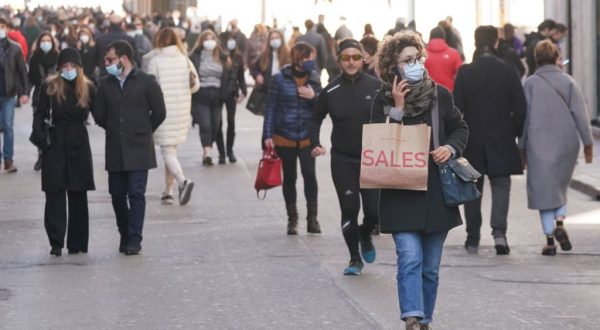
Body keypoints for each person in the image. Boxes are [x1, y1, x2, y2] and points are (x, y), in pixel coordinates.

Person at [372, 31, 468, 330]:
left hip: (436, 191)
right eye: (407, 60)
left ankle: (425, 319)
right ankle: (411, 317)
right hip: (400, 190)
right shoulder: (382, 99)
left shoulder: (440, 94)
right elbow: (376, 140)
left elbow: (460, 128)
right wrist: (397, 109)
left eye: (418, 58)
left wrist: (449, 148)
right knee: (409, 257)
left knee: (430, 267)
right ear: (393, 66)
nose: (415, 64)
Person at [453, 26, 526, 255]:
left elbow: (456, 111)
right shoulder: (509, 70)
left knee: (472, 188)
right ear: (495, 43)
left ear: (475, 42)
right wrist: (513, 131)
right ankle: (500, 236)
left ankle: (473, 237)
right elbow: (521, 108)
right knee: (501, 187)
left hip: (472, 141)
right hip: (502, 138)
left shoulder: (466, 72)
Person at [310, 39, 380, 275]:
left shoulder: (376, 86)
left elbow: (395, 113)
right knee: (349, 207)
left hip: (371, 159)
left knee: (375, 213)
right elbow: (315, 118)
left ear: (363, 59)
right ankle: (354, 259)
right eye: (346, 58)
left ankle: (364, 233)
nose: (351, 62)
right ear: (339, 61)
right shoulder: (330, 91)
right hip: (343, 159)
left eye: (356, 57)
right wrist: (315, 142)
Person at [92, 41, 166, 255]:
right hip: (115, 146)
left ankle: (134, 238)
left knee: (136, 193)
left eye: (110, 59)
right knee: (116, 194)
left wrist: (143, 130)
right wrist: (115, 127)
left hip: (139, 147)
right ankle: (124, 232)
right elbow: (98, 114)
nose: (106, 63)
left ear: (123, 59)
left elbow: (159, 112)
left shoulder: (146, 81)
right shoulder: (106, 84)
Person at [520, 40, 594, 256]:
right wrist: (588, 143)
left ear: (536, 58)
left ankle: (550, 241)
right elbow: (581, 115)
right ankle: (560, 222)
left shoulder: (531, 84)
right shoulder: (569, 82)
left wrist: (522, 146)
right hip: (566, 144)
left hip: (538, 144)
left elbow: (524, 120)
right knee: (560, 188)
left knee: (544, 192)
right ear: (556, 58)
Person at [30, 48, 95, 257]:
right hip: (55, 141)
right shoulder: (49, 86)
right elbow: (39, 114)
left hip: (78, 142)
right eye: (65, 66)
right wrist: (42, 141)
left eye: (72, 66)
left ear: (79, 67)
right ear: (59, 68)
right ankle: (56, 242)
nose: (68, 69)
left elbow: (101, 113)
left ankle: (77, 243)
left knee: (78, 193)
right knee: (54, 192)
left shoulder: (87, 87)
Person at [263, 42, 322, 235]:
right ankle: (292, 219)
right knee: (289, 177)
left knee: (310, 176)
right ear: (299, 59)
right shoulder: (279, 79)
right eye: (309, 58)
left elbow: (322, 107)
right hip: (284, 136)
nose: (312, 62)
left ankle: (312, 219)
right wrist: (267, 136)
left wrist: (313, 96)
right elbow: (270, 108)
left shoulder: (314, 78)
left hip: (306, 138)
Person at [145, 28, 197, 206]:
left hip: (163, 111)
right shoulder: (185, 59)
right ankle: (168, 190)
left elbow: (149, 88)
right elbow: (196, 85)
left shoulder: (155, 61)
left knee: (167, 152)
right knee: (171, 151)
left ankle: (183, 182)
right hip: (181, 110)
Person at [189, 30, 233, 166]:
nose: (209, 42)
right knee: (206, 124)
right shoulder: (195, 56)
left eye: (212, 39)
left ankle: (208, 147)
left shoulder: (223, 56)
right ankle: (207, 152)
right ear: (201, 42)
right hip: (201, 94)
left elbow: (230, 75)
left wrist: (226, 92)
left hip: (217, 95)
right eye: (206, 39)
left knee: (215, 125)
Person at [0, 17, 30, 173]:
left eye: (2, 26)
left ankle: (8, 159)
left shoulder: (15, 48)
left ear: (7, 28)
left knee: (8, 126)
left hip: (8, 93)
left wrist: (24, 92)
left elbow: (22, 72)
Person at [28, 32, 59, 171]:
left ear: (52, 42)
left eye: (48, 40)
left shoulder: (58, 58)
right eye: (43, 40)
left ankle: (53, 155)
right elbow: (30, 78)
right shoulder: (35, 58)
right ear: (39, 42)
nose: (46, 43)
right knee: (39, 126)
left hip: (56, 95)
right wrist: (25, 93)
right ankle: (41, 155)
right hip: (39, 96)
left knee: (55, 126)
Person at [216, 31, 247, 164]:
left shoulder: (238, 57)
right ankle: (221, 153)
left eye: (233, 39)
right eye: (229, 39)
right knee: (218, 123)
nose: (231, 42)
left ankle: (230, 150)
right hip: (217, 92)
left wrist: (243, 91)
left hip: (232, 92)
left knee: (231, 122)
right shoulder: (217, 56)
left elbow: (240, 75)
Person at [424, 26, 462, 92]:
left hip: (428, 94)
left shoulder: (423, 54)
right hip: (449, 93)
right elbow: (460, 74)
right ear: (444, 38)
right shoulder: (454, 53)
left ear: (430, 37)